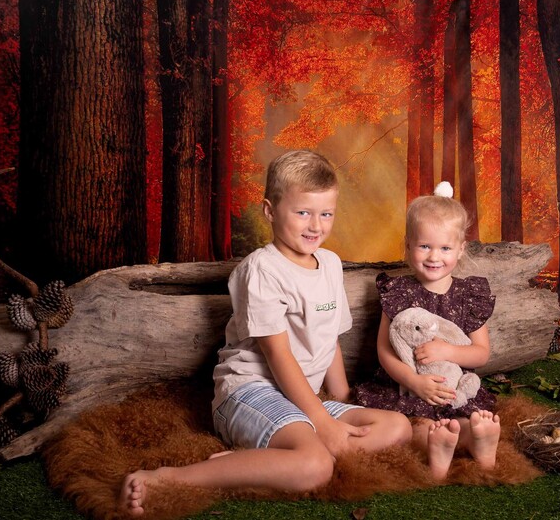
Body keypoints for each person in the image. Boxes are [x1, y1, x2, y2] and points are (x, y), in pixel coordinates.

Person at [120, 150, 412, 516]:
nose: (316, 226)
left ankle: (255, 461)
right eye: (302, 212)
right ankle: (173, 478)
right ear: (270, 211)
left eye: (326, 214)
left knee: (397, 428)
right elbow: (278, 354)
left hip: (302, 398)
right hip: (252, 391)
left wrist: (341, 401)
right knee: (316, 466)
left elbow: (330, 341)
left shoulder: (331, 264)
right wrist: (323, 423)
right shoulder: (261, 270)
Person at [353, 182, 501, 481]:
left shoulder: (469, 294)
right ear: (408, 245)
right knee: (416, 427)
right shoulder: (399, 292)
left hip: (453, 387)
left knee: (464, 417)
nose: (434, 257)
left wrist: (448, 351)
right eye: (425, 246)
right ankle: (439, 445)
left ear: (461, 249)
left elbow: (481, 353)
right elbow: (385, 350)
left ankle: (478, 439)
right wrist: (413, 381)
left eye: (445, 248)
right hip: (408, 386)